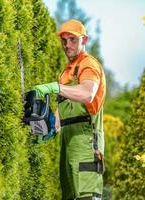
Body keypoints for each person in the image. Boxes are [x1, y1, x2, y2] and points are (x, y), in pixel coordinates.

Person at [33, 19, 106, 200]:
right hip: (69, 140)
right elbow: (66, 109)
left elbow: (87, 94)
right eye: (64, 41)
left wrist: (56, 88)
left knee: (87, 195)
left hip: (86, 141)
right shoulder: (67, 72)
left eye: (73, 39)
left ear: (85, 40)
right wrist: (50, 127)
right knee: (71, 195)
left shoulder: (88, 65)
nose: (67, 45)